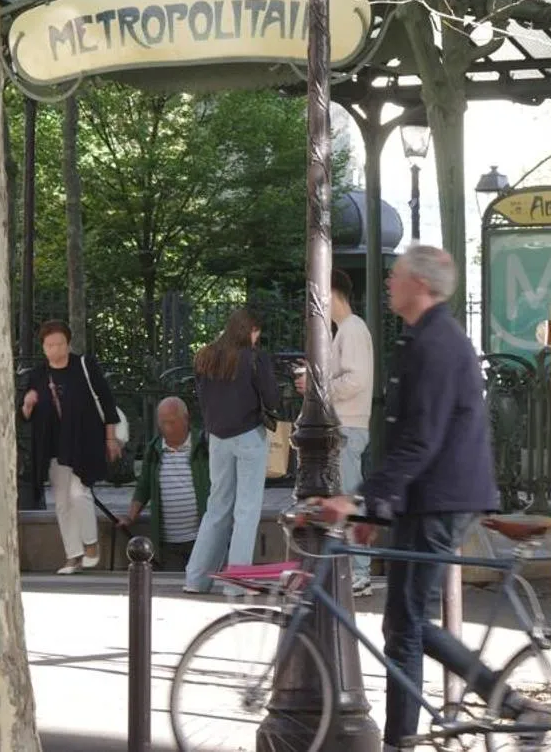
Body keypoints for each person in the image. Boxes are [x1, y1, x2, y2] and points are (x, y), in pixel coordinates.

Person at [317, 246, 506, 747]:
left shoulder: (437, 344)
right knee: (406, 624)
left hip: (442, 500)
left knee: (408, 626)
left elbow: (422, 440)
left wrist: (358, 500)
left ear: (419, 285)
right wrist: (377, 509)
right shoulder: (423, 338)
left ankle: (487, 704)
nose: (388, 281)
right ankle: (405, 737)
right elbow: (409, 441)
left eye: (396, 275)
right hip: (428, 497)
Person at [182, 309, 280, 594]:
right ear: (250, 330)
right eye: (256, 332)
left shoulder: (205, 357)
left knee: (217, 507)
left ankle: (196, 578)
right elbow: (272, 398)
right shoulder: (254, 358)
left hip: (217, 439)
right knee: (247, 509)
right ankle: (236, 582)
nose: (257, 337)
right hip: (249, 435)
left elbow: (201, 398)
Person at [21, 320, 123, 573]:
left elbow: (107, 404)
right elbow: (24, 416)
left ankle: (90, 544)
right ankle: (72, 555)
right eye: (49, 345)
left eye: (60, 344)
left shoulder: (85, 367)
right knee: (62, 502)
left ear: (68, 344)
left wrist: (110, 439)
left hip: (84, 441)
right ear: (43, 347)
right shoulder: (37, 375)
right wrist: (28, 404)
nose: (55, 349)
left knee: (79, 493)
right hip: (54, 445)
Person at [296, 268, 375, 594]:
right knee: (344, 498)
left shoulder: (352, 330)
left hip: (348, 425)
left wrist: (318, 385)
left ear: (332, 294)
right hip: (347, 424)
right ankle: (355, 570)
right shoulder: (346, 330)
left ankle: (361, 571)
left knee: (349, 498)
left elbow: (355, 379)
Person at [120, 397, 209, 571]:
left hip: (202, 538)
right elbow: (143, 487)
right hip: (168, 543)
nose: (167, 427)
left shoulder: (203, 446)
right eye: (163, 422)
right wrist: (131, 517)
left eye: (172, 422)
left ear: (186, 419)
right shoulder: (154, 449)